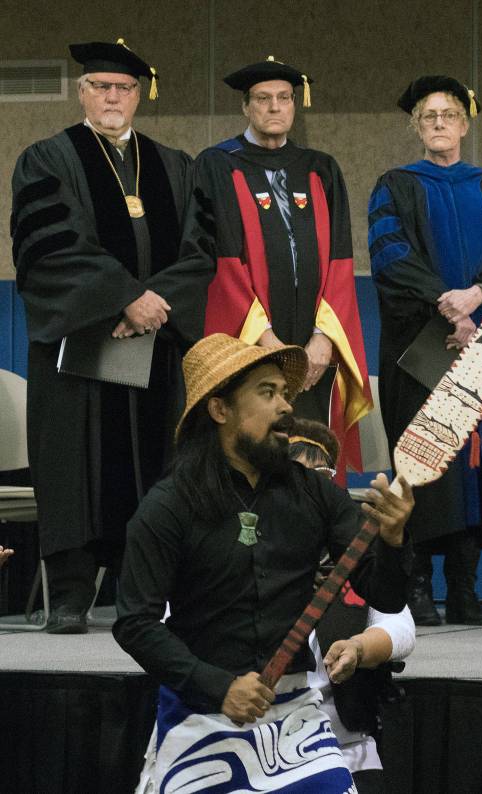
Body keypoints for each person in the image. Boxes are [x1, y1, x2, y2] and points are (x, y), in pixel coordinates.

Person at [114, 333, 412, 792]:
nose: (286, 407)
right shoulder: (167, 506)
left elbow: (385, 595)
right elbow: (135, 623)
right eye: (267, 393)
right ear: (220, 410)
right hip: (200, 714)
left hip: (296, 718)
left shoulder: (313, 492)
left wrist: (392, 541)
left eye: (285, 393)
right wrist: (218, 686)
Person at [10, 38, 212, 633]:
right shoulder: (47, 159)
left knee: (159, 464)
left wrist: (155, 305)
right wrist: (124, 299)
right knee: (73, 466)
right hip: (81, 346)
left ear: (139, 96)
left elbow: (200, 250)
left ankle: (144, 593)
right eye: (101, 86)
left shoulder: (175, 165)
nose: (112, 97)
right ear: (82, 93)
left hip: (156, 343)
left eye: (124, 88)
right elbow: (48, 246)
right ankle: (71, 595)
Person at [369, 75, 482, 627]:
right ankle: (416, 587)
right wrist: (448, 305)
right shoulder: (395, 185)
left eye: (449, 115)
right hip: (421, 347)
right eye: (429, 116)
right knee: (425, 458)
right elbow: (389, 255)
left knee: (476, 465)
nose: (439, 123)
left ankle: (464, 590)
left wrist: (477, 296)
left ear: (465, 124)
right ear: (415, 126)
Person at [192, 56, 371, 478]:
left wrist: (324, 339)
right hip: (252, 344)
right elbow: (222, 261)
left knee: (312, 457)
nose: (275, 107)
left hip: (314, 348)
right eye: (263, 98)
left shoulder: (320, 168)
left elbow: (340, 259)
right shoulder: (218, 165)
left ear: (295, 104)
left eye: (284, 98)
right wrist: (264, 340)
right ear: (246, 107)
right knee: (252, 451)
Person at [289, 419, 415, 794]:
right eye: (295, 475)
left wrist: (358, 648)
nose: (309, 488)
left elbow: (400, 627)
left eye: (321, 476)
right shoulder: (243, 547)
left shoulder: (353, 550)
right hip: (259, 743)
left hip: (345, 749)